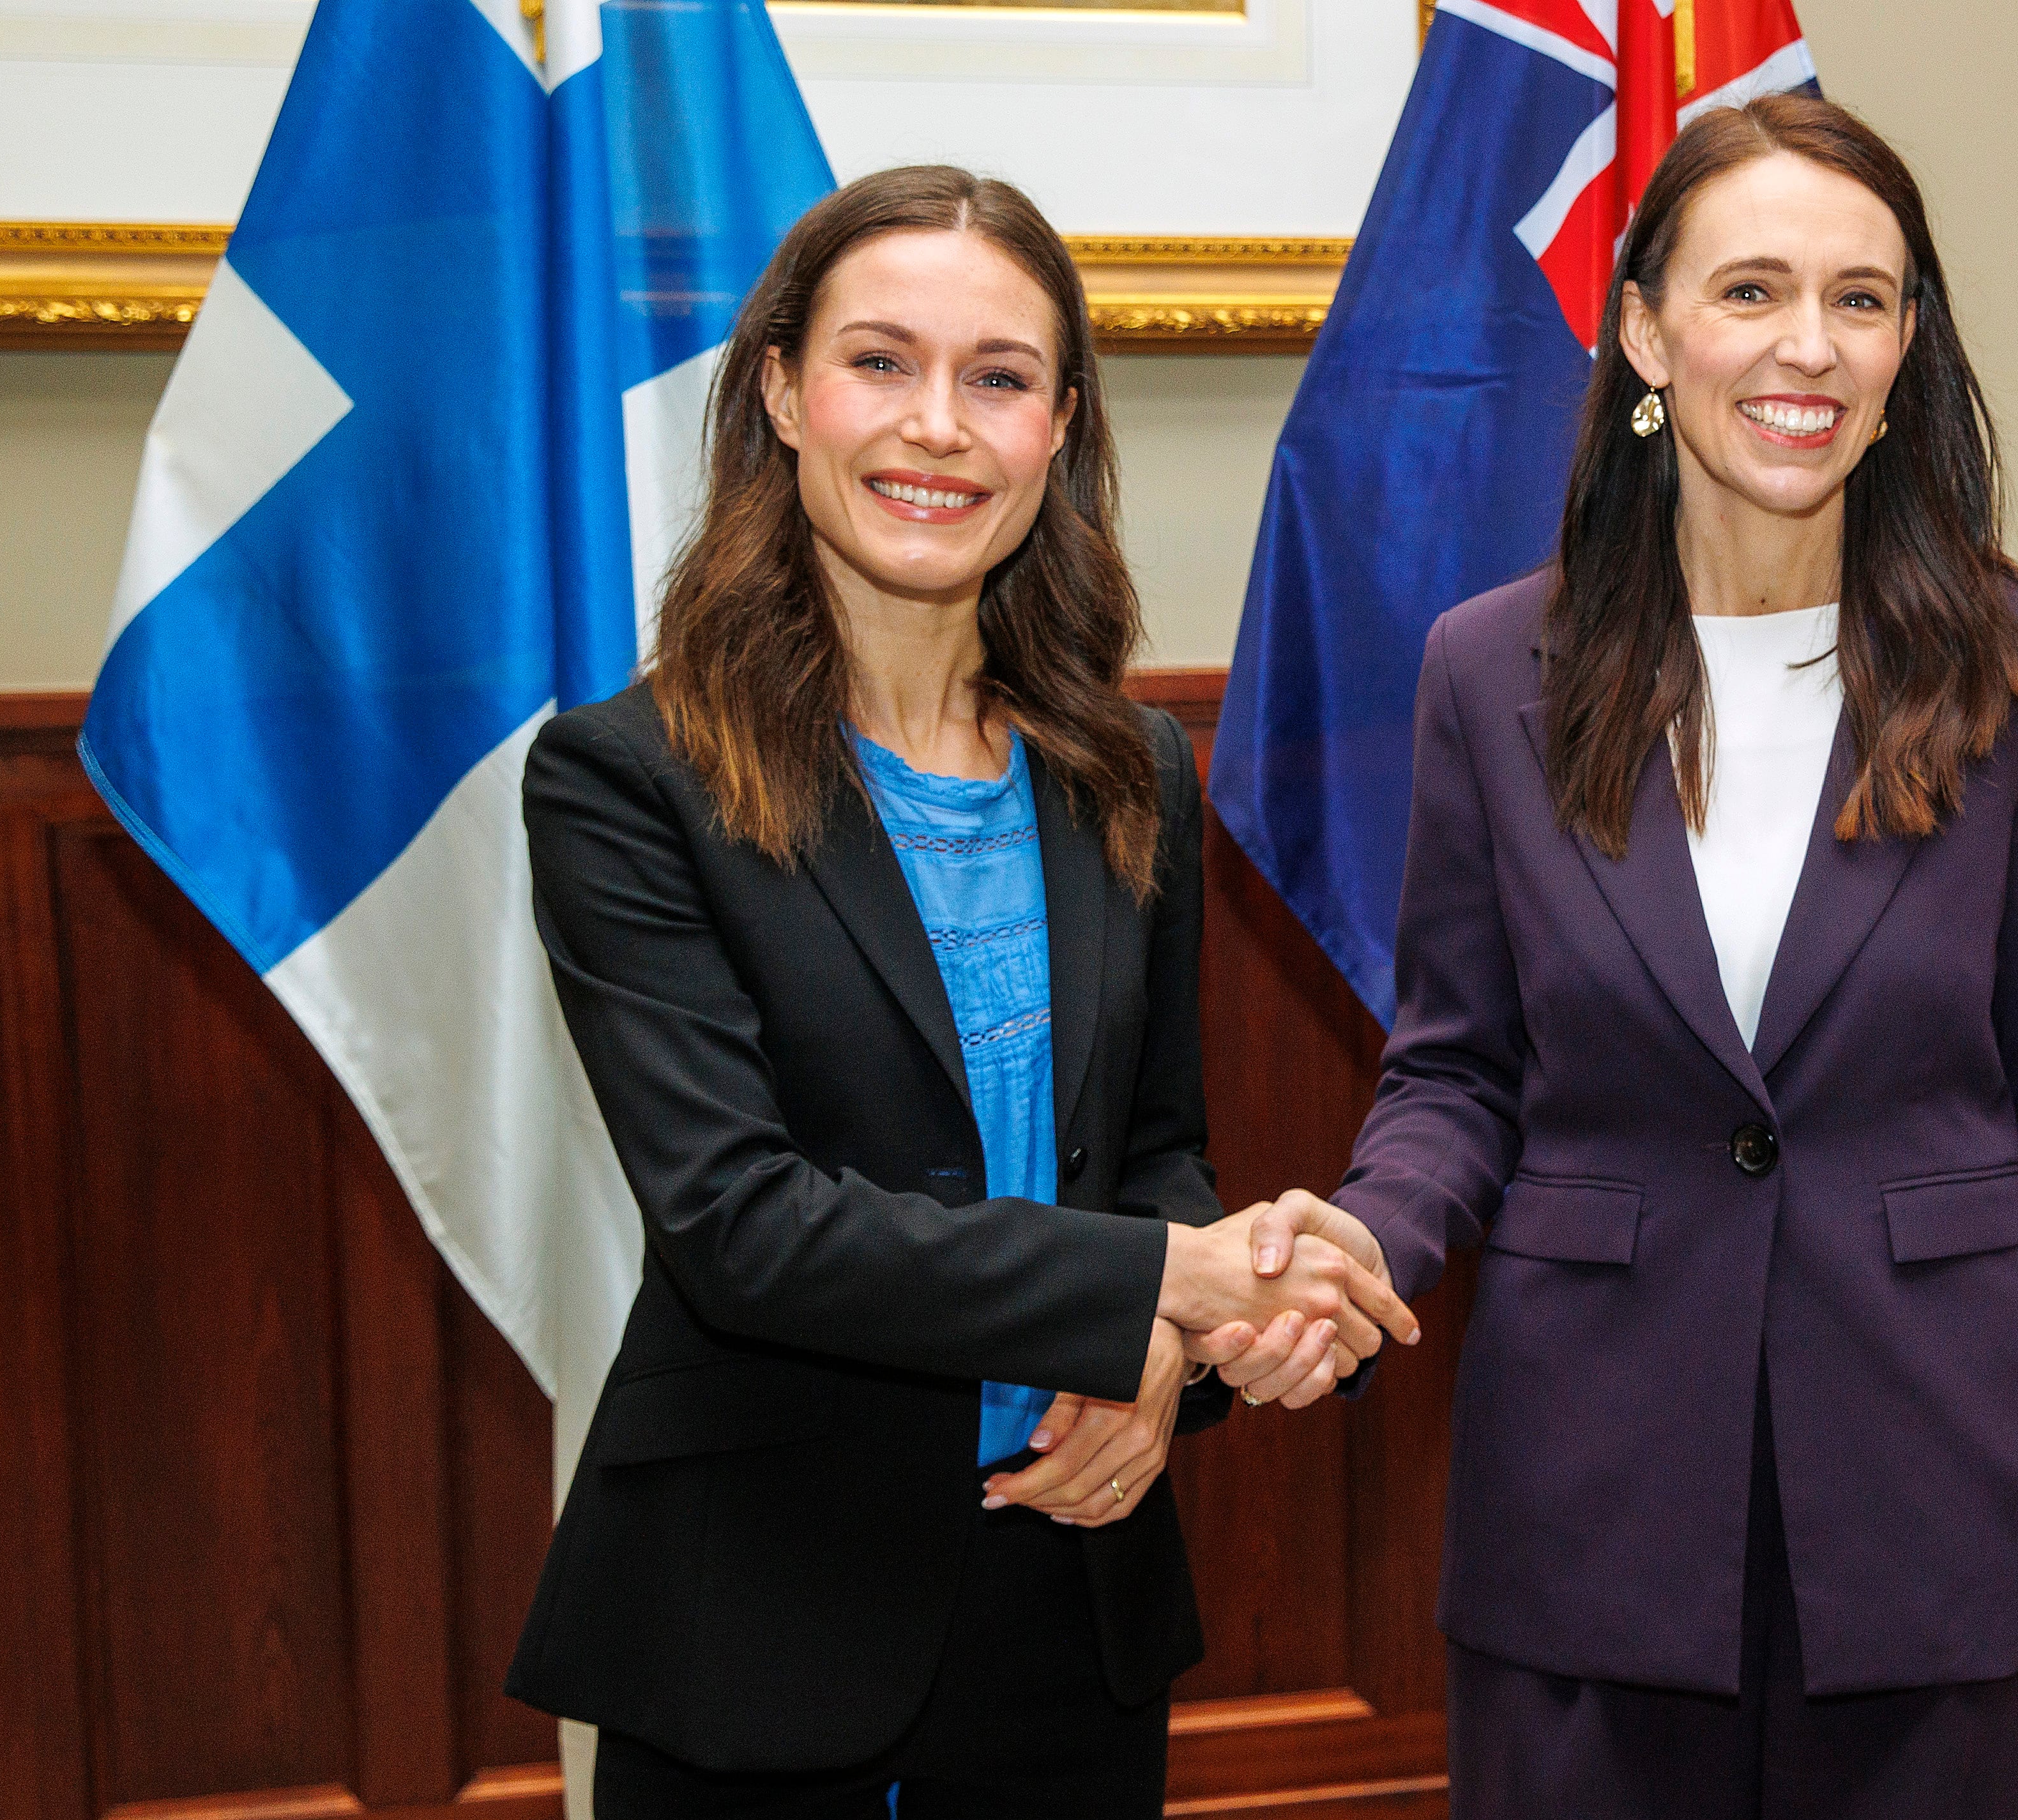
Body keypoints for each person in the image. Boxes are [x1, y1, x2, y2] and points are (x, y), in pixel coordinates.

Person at [1228, 94, 2018, 1816]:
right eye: (1748, 291)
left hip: (1941, 1524)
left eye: (1860, 298)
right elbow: (1457, 1071)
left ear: (1907, 350)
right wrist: (1359, 1237)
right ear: (1645, 327)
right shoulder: (1483, 672)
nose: (1803, 346)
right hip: (1589, 1519)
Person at [503, 165, 1414, 1820]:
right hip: (762, 1626)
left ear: (1057, 427)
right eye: (879, 362)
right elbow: (743, 1221)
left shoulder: (1123, 767)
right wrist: (1169, 1281)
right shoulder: (626, 780)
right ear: (779, 388)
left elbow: (1154, 1160)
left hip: (1071, 1605)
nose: (937, 425)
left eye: (997, 378)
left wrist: (1170, 1357)